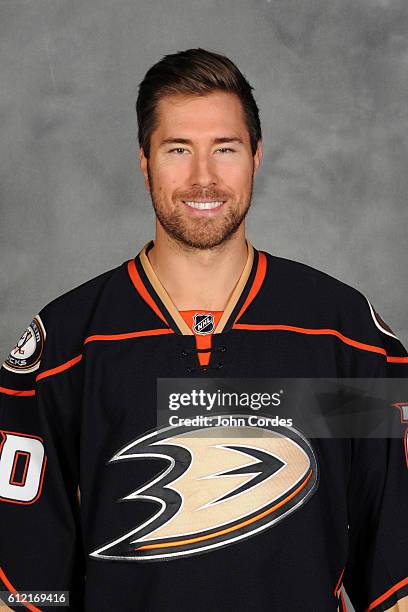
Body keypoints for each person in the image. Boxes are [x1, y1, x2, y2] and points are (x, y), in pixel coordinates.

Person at [0, 48, 407, 612]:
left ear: (256, 157)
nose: (203, 177)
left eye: (225, 148)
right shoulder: (71, 346)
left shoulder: (340, 338)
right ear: (144, 162)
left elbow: (394, 571)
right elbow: (26, 589)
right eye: (177, 150)